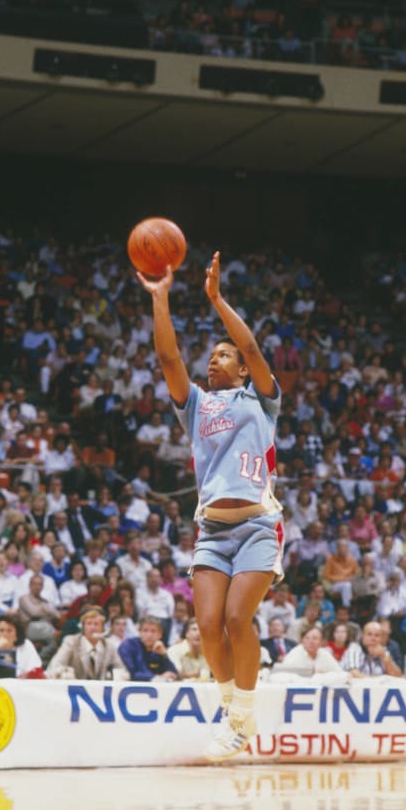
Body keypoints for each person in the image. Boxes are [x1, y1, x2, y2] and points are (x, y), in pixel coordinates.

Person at [138, 251, 284, 760]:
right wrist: (160, 297)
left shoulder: (262, 401)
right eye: (213, 357)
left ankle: (241, 707)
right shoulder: (198, 405)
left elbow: (249, 343)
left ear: (243, 370)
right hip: (214, 530)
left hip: (258, 525)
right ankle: (235, 714)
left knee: (238, 619)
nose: (214, 360)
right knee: (206, 625)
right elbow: (169, 359)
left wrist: (216, 298)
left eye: (224, 356)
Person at [47, 606, 128, 680]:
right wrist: (67, 673)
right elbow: (54, 666)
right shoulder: (71, 642)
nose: (92, 628)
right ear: (83, 627)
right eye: (89, 624)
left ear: (102, 628)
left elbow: (123, 671)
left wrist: (114, 675)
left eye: (96, 624)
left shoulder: (109, 645)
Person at [118, 614, 179, 682]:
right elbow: (133, 673)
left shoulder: (159, 648)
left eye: (153, 631)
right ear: (139, 632)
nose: (149, 635)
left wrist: (164, 655)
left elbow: (174, 673)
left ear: (160, 634)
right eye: (145, 630)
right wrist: (158, 677)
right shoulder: (128, 646)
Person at [0, 613, 43, 677]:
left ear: (17, 633)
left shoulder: (26, 645)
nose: (5, 634)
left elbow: (35, 668)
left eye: (9, 631)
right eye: (1, 630)